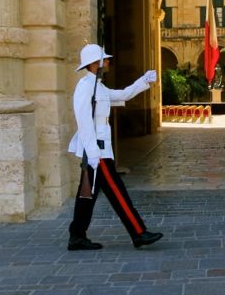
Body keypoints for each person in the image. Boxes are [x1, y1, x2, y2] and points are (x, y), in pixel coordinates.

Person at [67, 43, 164, 250]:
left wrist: (143, 81)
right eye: (105, 59)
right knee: (117, 192)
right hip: (97, 152)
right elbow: (84, 122)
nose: (109, 61)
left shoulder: (98, 86)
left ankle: (77, 236)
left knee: (87, 195)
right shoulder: (85, 86)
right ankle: (138, 232)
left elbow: (122, 95)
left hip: (100, 150)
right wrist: (93, 153)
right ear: (95, 63)